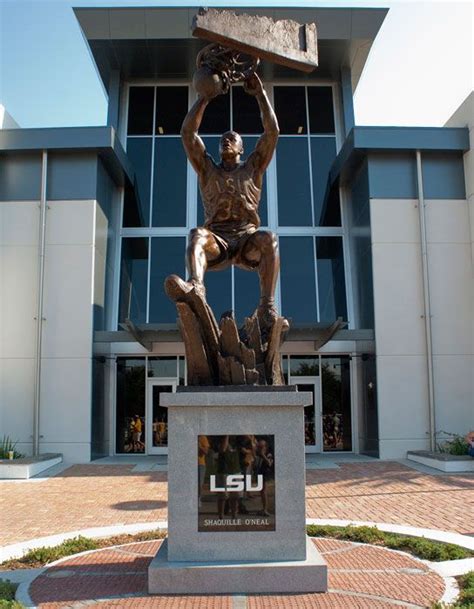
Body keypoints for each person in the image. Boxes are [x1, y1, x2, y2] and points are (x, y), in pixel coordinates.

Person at [179, 73, 281, 329]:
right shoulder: (207, 170)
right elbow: (188, 133)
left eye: (232, 139)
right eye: (223, 139)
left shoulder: (253, 169)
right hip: (219, 241)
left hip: (247, 240)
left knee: (270, 239)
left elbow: (272, 132)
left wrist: (261, 95)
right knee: (196, 235)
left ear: (241, 149)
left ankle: (267, 306)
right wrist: (204, 98)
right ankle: (196, 290)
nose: (226, 140)